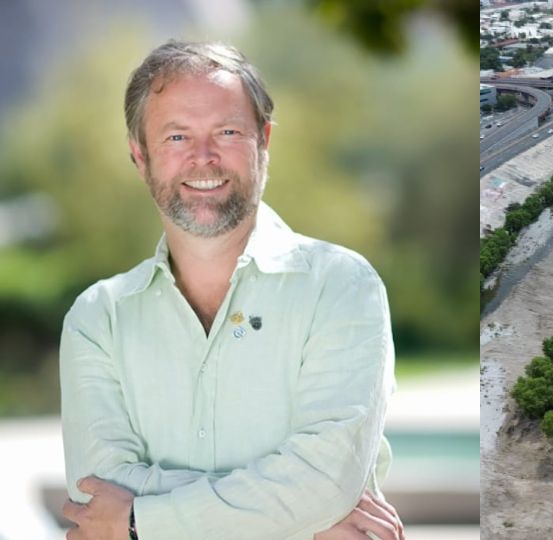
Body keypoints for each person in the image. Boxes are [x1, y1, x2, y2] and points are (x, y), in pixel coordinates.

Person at [58, 40, 403, 540]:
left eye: (227, 131)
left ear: (263, 141)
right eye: (176, 137)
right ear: (140, 156)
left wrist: (136, 521)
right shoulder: (97, 319)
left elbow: (325, 482)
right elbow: (96, 492)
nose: (204, 158)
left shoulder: (342, 287)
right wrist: (298, 513)